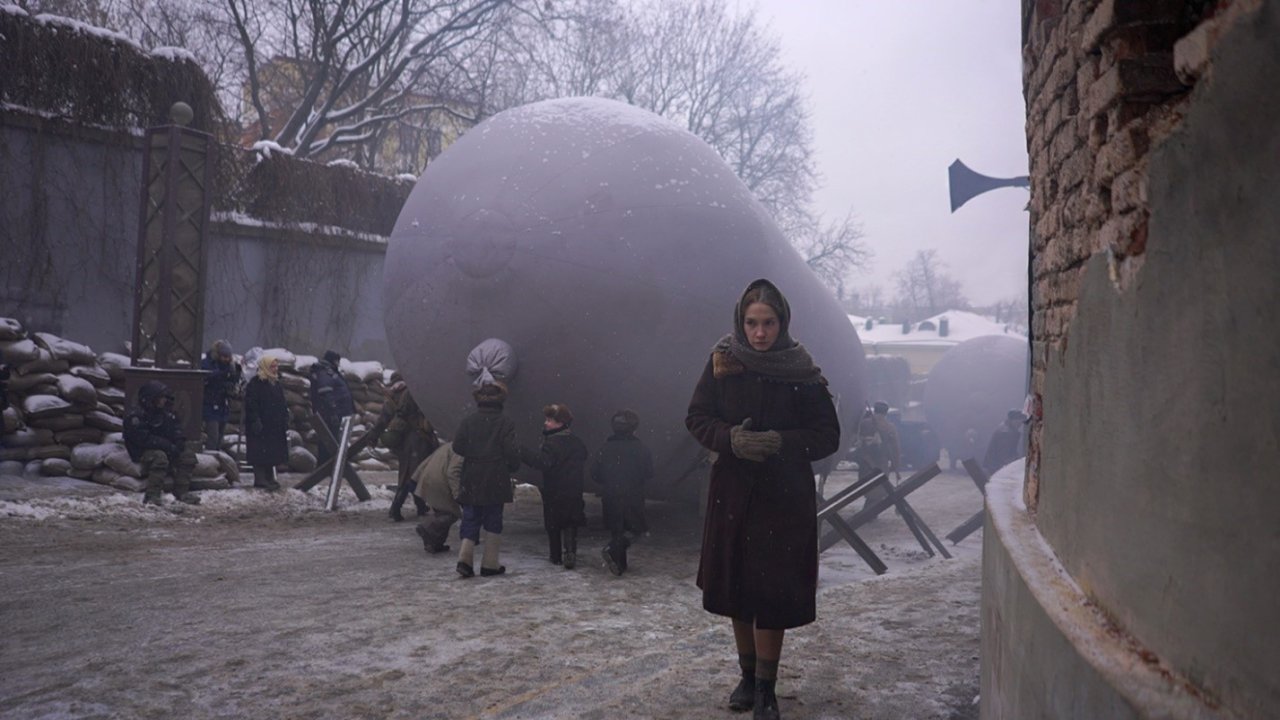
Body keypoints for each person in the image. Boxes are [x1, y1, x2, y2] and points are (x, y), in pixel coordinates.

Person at [685, 278, 840, 720]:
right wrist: (729, 438)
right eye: (752, 323)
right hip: (733, 492)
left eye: (768, 323)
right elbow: (697, 416)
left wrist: (779, 443)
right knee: (737, 588)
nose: (759, 333)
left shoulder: (802, 371)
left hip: (783, 498)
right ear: (741, 321)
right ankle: (747, 678)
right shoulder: (722, 362)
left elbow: (827, 435)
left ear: (782, 322)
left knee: (771, 593)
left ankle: (768, 689)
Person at [452, 381, 521, 578]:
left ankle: (464, 560)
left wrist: (474, 454)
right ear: (501, 400)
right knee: (493, 517)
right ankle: (490, 563)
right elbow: (511, 450)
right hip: (496, 475)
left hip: (472, 474)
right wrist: (511, 465)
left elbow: (457, 446)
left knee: (471, 515)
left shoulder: (468, 421)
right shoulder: (505, 422)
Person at [520, 403, 589, 569]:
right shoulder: (577, 442)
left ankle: (555, 555)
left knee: (553, 523)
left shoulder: (552, 443)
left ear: (560, 423)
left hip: (554, 489)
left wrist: (523, 452)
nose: (546, 423)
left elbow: (543, 463)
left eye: (550, 420)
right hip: (573, 488)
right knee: (571, 522)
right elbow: (584, 456)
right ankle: (570, 551)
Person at [591, 408, 653, 576]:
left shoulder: (605, 448)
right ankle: (614, 550)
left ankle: (619, 565)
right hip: (633, 494)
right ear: (634, 428)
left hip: (611, 493)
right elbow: (649, 473)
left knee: (616, 529)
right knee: (637, 530)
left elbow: (595, 473)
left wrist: (610, 480)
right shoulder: (641, 448)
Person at [368, 373, 438, 521]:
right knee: (413, 476)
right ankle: (395, 510)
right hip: (418, 440)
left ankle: (421, 506)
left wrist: (373, 436)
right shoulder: (415, 392)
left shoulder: (392, 397)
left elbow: (383, 420)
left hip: (403, 442)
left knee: (414, 473)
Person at [124, 380, 201, 506]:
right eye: (160, 398)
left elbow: (176, 428)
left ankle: (181, 492)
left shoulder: (165, 413)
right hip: (142, 451)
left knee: (188, 456)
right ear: (151, 398)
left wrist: (179, 441)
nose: (163, 400)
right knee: (160, 458)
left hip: (165, 447)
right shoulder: (136, 416)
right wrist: (167, 446)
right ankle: (152, 495)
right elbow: (143, 439)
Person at [243, 355, 290, 491]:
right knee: (260, 452)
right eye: (272, 366)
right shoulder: (256, 383)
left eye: (276, 366)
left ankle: (269, 477)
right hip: (261, 424)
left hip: (274, 424)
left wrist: (285, 417)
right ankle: (260, 478)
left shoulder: (276, 383)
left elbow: (282, 403)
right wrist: (255, 420)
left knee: (271, 452)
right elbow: (252, 404)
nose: (275, 369)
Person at [412, 441, 464, 554]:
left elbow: (427, 461)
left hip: (429, 478)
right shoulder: (461, 449)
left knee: (441, 512)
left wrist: (416, 477)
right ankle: (427, 527)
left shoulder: (448, 445)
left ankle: (434, 544)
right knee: (451, 513)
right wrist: (458, 494)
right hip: (440, 481)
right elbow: (453, 472)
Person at [309, 349, 355, 465]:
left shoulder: (330, 372)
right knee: (328, 441)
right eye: (336, 361)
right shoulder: (325, 373)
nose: (338, 364)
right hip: (329, 415)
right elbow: (326, 393)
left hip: (335, 413)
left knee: (332, 441)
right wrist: (333, 412)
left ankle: (330, 465)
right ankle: (325, 466)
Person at [200, 339, 243, 451]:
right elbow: (207, 377)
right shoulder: (207, 364)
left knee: (219, 437)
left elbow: (232, 384)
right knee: (213, 436)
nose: (226, 359)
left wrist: (234, 377)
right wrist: (223, 375)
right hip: (210, 404)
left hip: (223, 404)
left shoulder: (230, 367)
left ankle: (216, 458)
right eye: (224, 356)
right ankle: (211, 456)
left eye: (228, 357)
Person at [982, 410, 1027, 475]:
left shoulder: (1006, 429)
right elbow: (1004, 456)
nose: (1020, 424)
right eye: (1018, 421)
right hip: (997, 467)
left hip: (995, 466)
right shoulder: (1006, 433)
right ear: (1012, 420)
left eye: (1021, 421)